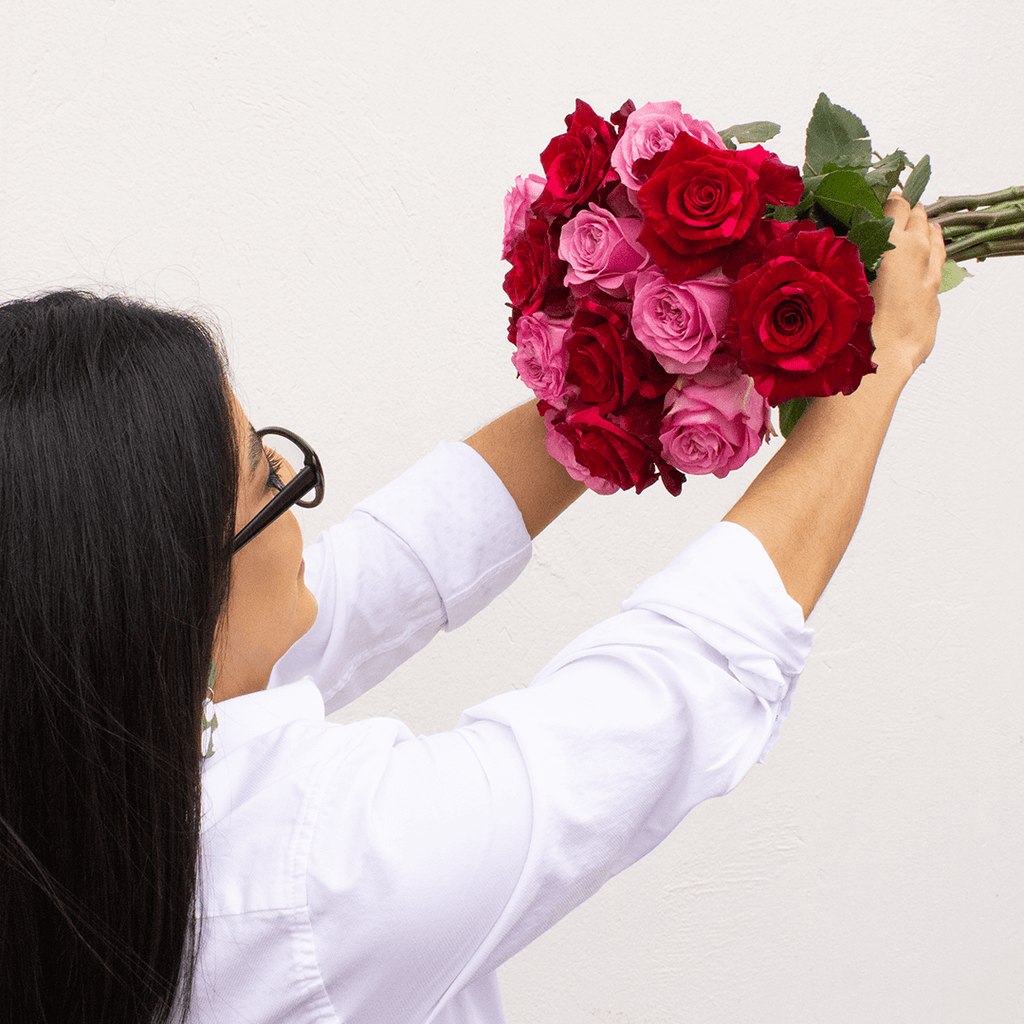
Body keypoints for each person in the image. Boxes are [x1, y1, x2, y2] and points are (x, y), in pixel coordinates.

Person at [0, 196, 943, 1023]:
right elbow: (670, 687)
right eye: (269, 475)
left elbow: (397, 566)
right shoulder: (320, 876)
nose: (296, 489)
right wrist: (879, 363)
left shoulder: (89, 748)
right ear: (173, 592)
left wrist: (627, 365)